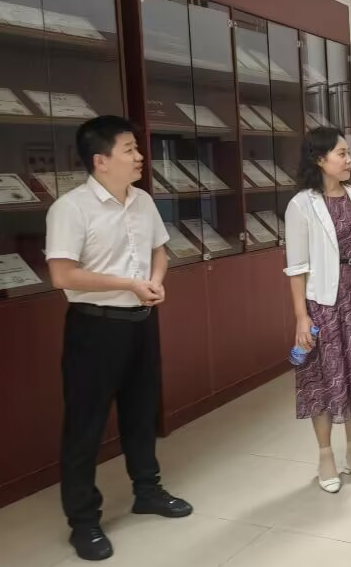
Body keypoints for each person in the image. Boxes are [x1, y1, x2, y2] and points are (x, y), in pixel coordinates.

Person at [45, 116, 192, 562]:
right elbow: (62, 274)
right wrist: (129, 284)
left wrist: (155, 281)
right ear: (101, 160)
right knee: (85, 425)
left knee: (141, 412)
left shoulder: (142, 201)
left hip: (141, 322)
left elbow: (158, 251)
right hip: (94, 327)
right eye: (129, 149)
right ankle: (83, 521)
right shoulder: (70, 209)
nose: (140, 157)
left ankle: (147, 490)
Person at [284, 126, 351, 494]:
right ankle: (326, 457)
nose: (349, 160)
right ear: (320, 159)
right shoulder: (302, 205)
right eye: (341, 153)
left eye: (348, 153)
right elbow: (296, 268)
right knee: (324, 380)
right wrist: (302, 317)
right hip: (324, 305)